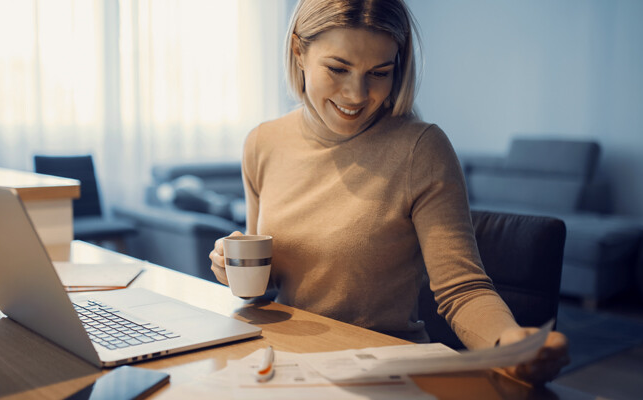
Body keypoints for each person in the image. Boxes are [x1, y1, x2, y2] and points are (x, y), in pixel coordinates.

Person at [209, 0, 569, 385]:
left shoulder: (421, 148)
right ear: (299, 51)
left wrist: (509, 342)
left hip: (381, 371)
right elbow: (266, 282)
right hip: (287, 364)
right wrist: (234, 270)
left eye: (379, 73)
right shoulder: (263, 142)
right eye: (338, 68)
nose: (356, 95)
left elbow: (461, 290)